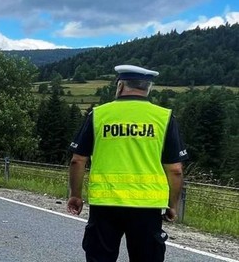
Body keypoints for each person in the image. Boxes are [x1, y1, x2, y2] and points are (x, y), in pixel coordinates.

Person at [67, 65, 188, 262]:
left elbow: (77, 159)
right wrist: (172, 205)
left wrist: (75, 195)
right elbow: (175, 170)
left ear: (121, 85)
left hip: (105, 204)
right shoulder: (164, 117)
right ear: (148, 88)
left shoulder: (98, 115)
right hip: (148, 207)